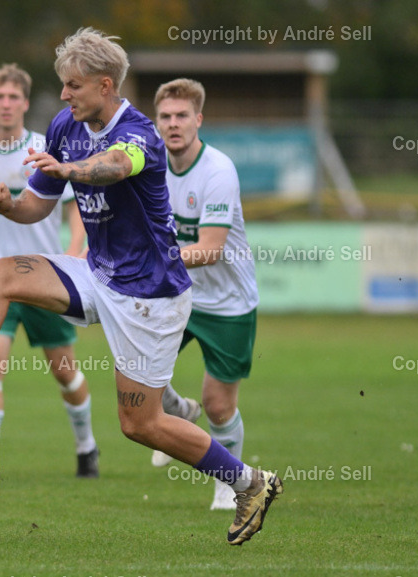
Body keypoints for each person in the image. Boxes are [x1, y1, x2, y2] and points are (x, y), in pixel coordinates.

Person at [0, 29, 282, 545]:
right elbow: (38, 205)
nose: (65, 95)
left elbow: (113, 166)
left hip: (150, 296)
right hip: (98, 272)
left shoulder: (140, 133)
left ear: (105, 84)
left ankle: (251, 482)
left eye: (73, 86)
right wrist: (7, 205)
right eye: (63, 87)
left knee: (140, 425)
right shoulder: (64, 125)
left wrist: (69, 168)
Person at [0, 63, 99, 479]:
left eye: (13, 97)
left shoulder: (44, 149)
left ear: (25, 104)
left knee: (65, 373)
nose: (5, 103)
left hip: (46, 277)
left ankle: (87, 446)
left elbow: (74, 208)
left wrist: (74, 250)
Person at [151, 78, 261, 511]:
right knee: (137, 376)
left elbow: (211, 249)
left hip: (228, 304)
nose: (173, 124)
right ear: (156, 121)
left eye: (182, 116)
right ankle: (178, 410)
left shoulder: (217, 170)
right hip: (175, 293)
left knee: (217, 406)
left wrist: (151, 259)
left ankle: (229, 480)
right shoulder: (151, 164)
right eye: (165, 116)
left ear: (198, 119)